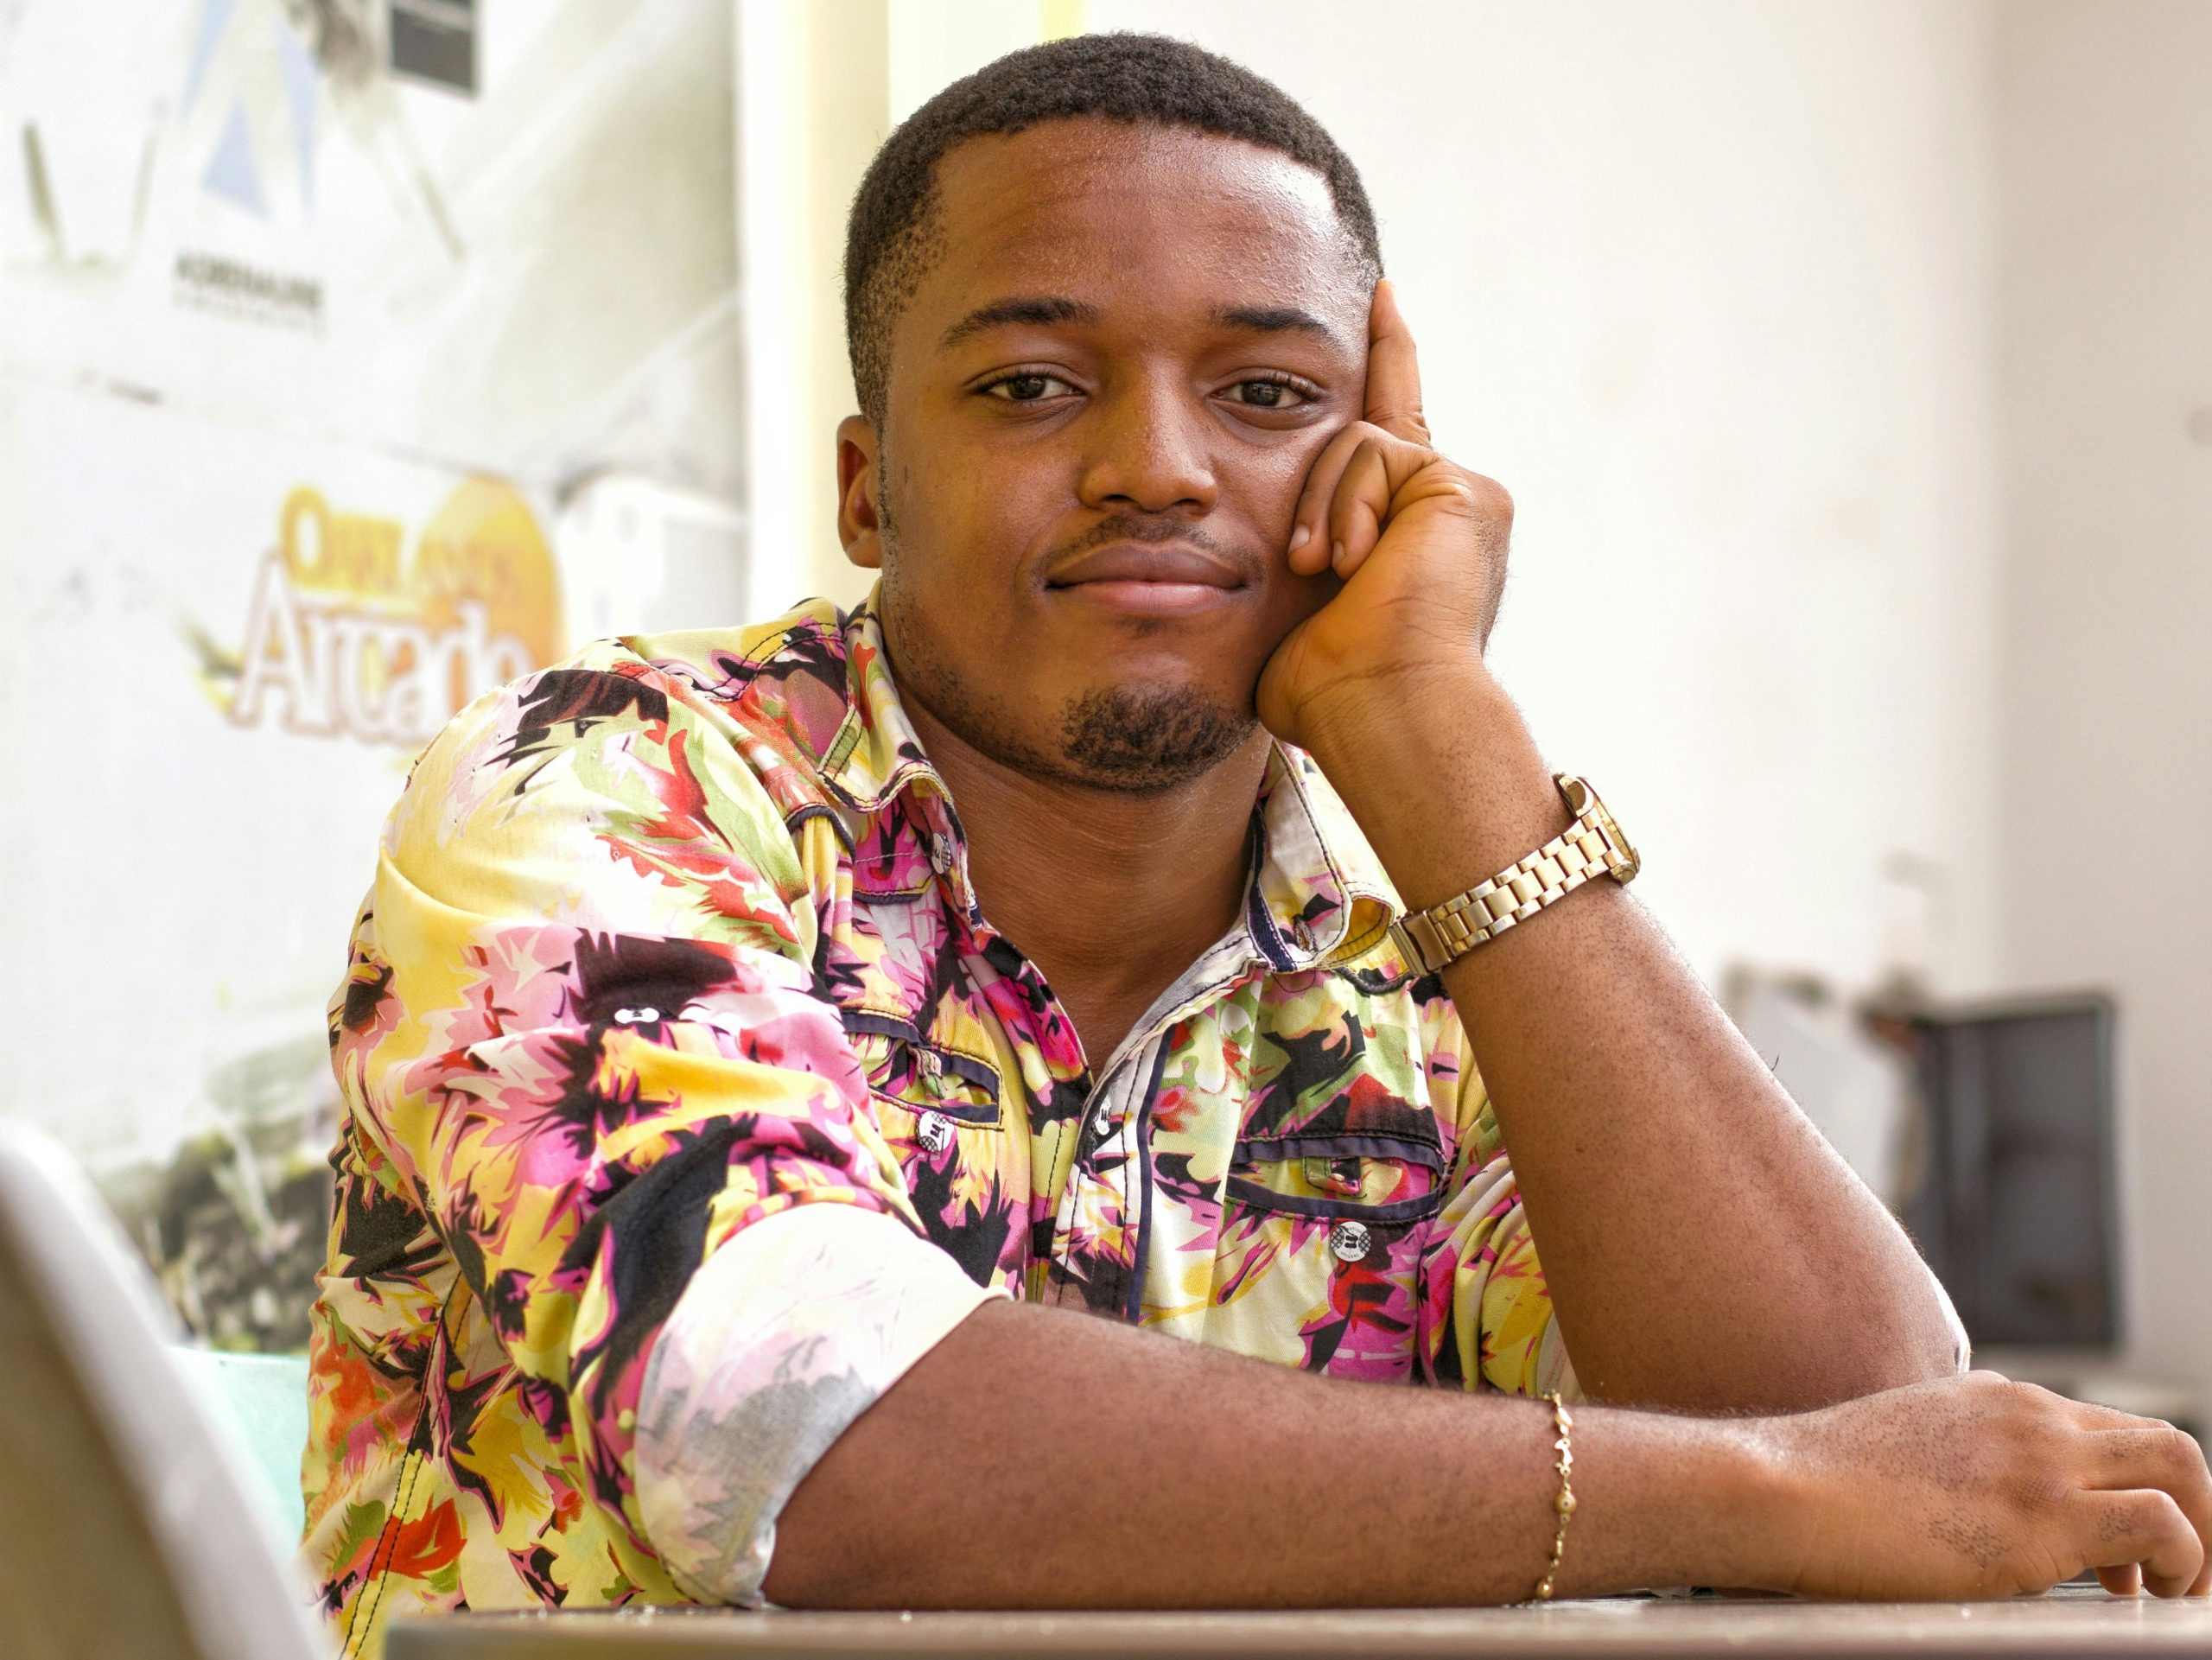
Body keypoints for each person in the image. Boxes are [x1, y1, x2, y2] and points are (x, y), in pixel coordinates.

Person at [302, 31, 2211, 1657]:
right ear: (868, 489)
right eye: (1031, 384)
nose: (1160, 462)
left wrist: (1436, 728)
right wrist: (1744, 1494)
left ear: (1373, 474)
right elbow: (813, 1438)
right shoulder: (603, 794)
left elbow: (1880, 1446)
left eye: (1269, 395)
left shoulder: (1420, 1003)